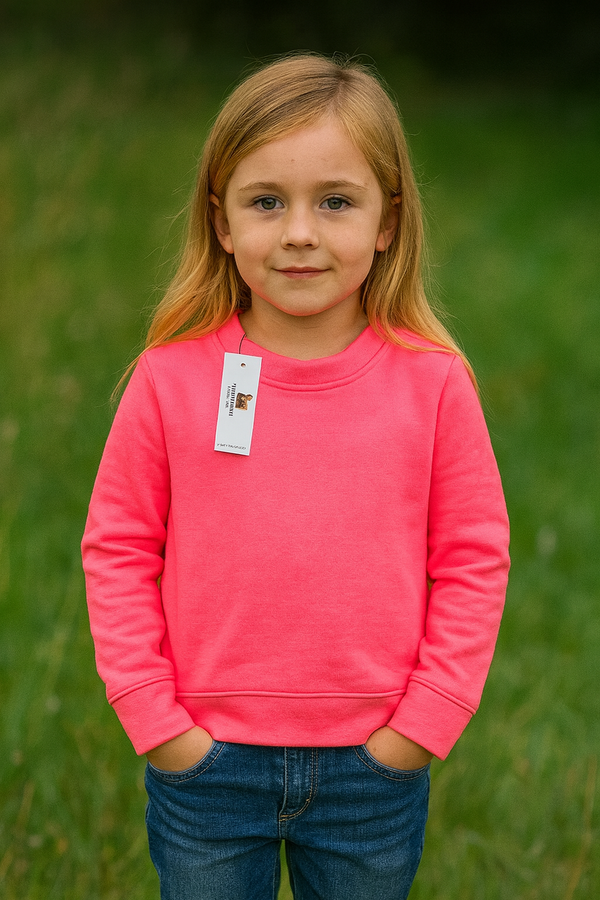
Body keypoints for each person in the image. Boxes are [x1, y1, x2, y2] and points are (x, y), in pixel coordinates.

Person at [81, 53, 510, 900]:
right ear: (223, 221)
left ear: (388, 220)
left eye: (337, 202)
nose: (301, 232)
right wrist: (157, 720)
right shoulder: (170, 379)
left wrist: (420, 727)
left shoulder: (433, 383)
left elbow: (472, 558)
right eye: (267, 202)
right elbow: (119, 548)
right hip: (204, 763)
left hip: (372, 770)